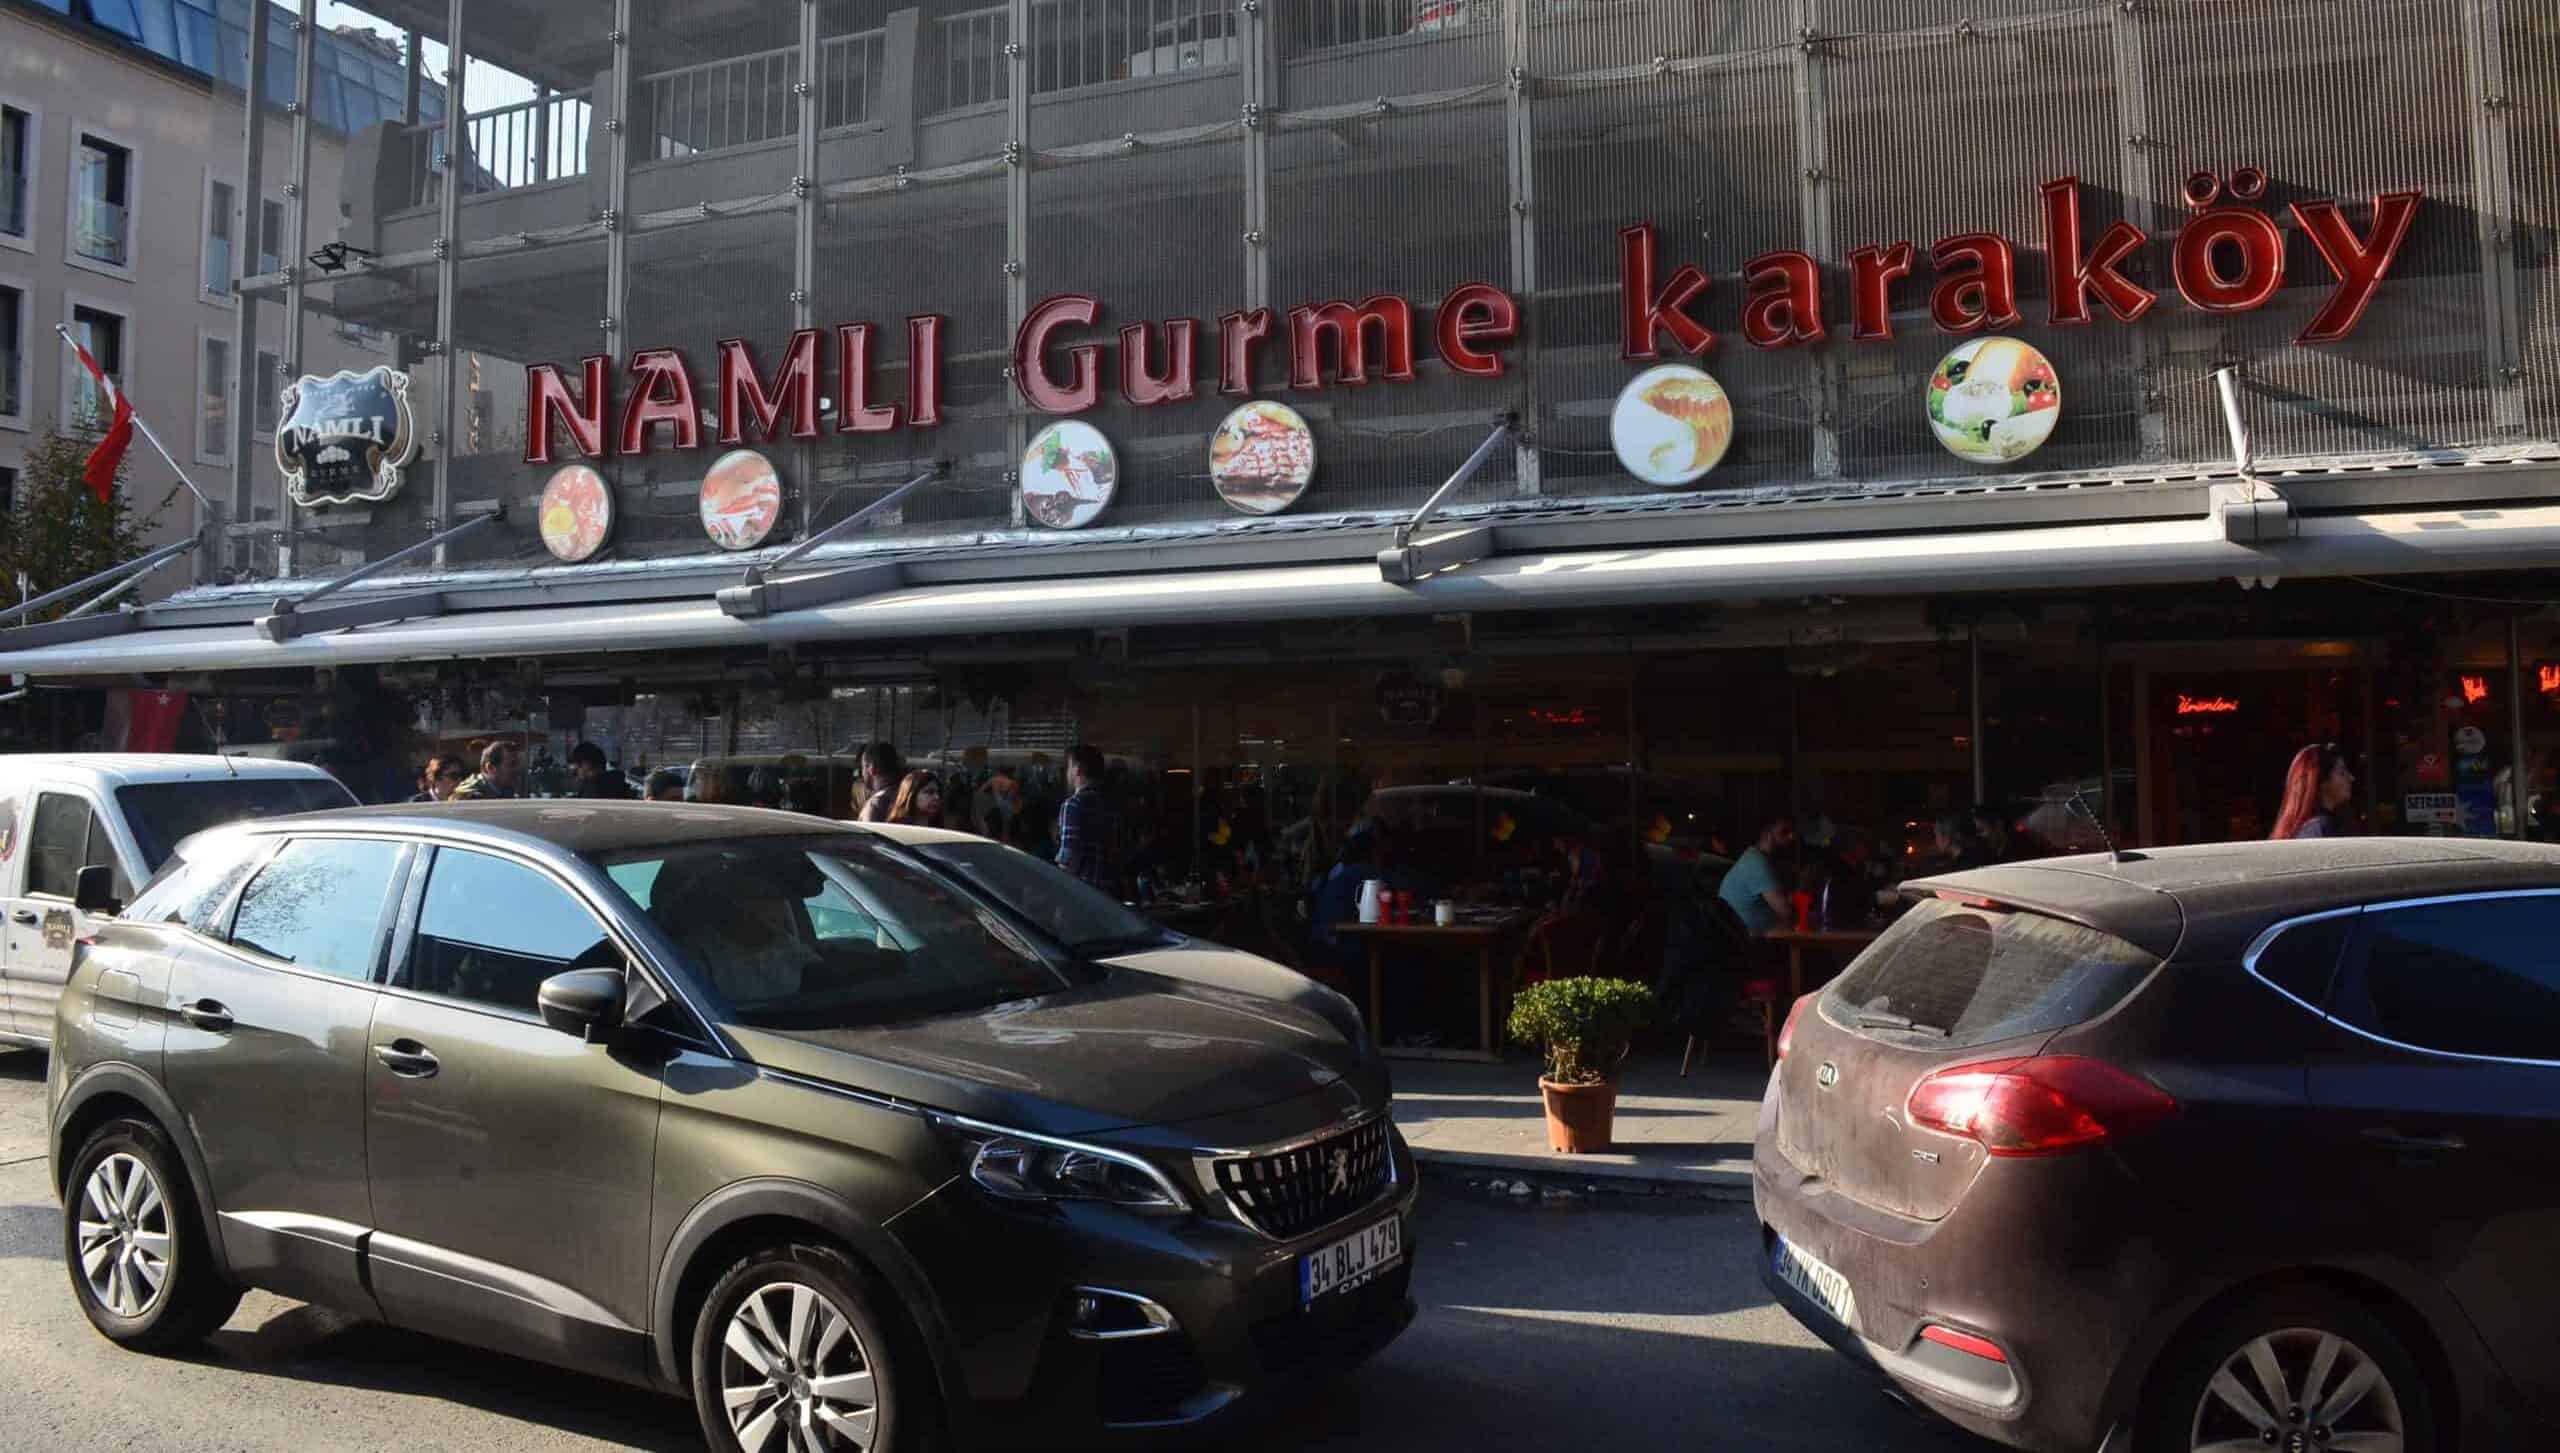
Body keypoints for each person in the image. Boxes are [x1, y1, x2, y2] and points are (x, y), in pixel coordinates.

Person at [1716, 815, 1797, 935]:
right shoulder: (1757, 862)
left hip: (1752, 938)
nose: (1792, 837)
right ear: (1766, 834)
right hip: (1744, 943)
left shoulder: (1761, 859)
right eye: (1784, 832)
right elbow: (1787, 913)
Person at [1056, 744, 1120, 892]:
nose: (1067, 772)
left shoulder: (1073, 804)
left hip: (1083, 897)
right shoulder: (1112, 805)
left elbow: (1069, 861)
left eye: (1069, 767)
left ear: (1078, 769)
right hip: (1111, 896)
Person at [2271, 742, 2355, 840]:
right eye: (2342, 772)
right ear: (2322, 781)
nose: (2351, 778)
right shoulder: (2319, 829)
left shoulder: (2306, 828)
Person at [451, 742, 522, 800]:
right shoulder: (468, 796)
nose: (517, 769)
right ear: (490, 768)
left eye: (518, 764)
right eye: (512, 764)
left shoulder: (508, 790)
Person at [855, 741, 904, 822]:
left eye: (863, 767)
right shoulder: (907, 797)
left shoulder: (874, 806)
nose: (862, 773)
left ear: (871, 768)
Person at [568, 742, 634, 799]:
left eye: (577, 765)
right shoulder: (618, 784)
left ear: (586, 764)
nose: (576, 770)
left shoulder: (593, 788)